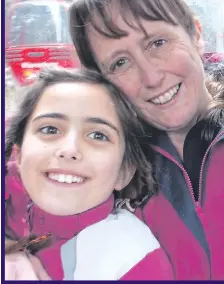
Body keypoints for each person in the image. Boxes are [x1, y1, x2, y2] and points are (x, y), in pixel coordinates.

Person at [5, 0, 224, 280]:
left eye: (158, 43)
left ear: (196, 35)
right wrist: (13, 246)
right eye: (120, 63)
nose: (151, 77)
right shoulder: (105, 153)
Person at [5, 68, 174, 280]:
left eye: (98, 135)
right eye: (50, 129)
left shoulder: (133, 259)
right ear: (18, 156)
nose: (69, 150)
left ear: (124, 172)